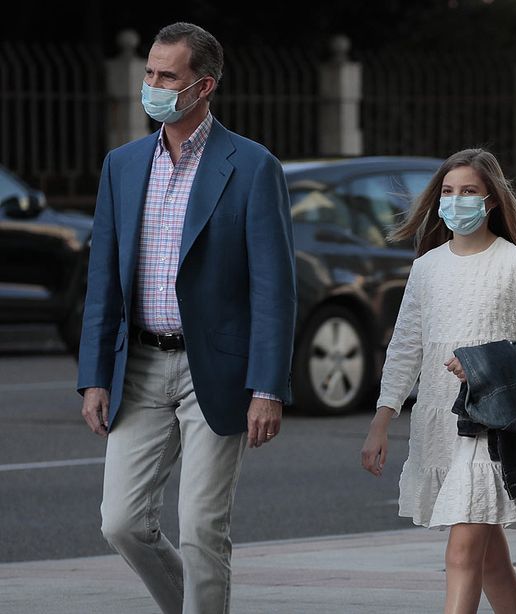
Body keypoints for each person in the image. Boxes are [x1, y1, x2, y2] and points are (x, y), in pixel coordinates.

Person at [77, 22, 295, 614]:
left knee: (201, 527)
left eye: (166, 76)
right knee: (120, 522)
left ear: (203, 86)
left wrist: (267, 387)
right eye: (149, 72)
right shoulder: (121, 166)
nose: (153, 85)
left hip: (215, 372)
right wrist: (95, 374)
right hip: (139, 366)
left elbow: (274, 289)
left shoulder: (252, 167)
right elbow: (103, 282)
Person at [360, 148, 516, 614]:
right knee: (490, 559)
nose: (456, 200)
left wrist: (483, 363)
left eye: (468, 192)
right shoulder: (427, 267)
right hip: (439, 420)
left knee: (462, 553)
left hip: (492, 428)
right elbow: (405, 348)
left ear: (492, 201)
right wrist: (381, 421)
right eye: (447, 191)